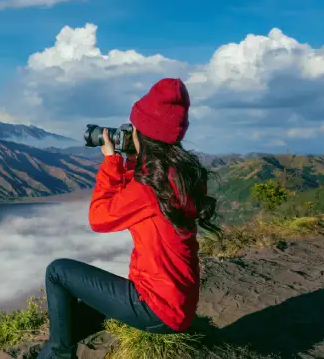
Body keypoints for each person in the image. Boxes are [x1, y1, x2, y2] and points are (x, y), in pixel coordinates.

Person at [37, 78, 222, 359]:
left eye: (134, 128)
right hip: (178, 304)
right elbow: (139, 200)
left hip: (156, 308)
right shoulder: (182, 177)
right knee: (77, 317)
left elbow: (99, 219)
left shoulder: (149, 189)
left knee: (57, 271)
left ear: (143, 133)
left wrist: (112, 162)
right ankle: (59, 345)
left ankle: (60, 355)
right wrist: (137, 160)